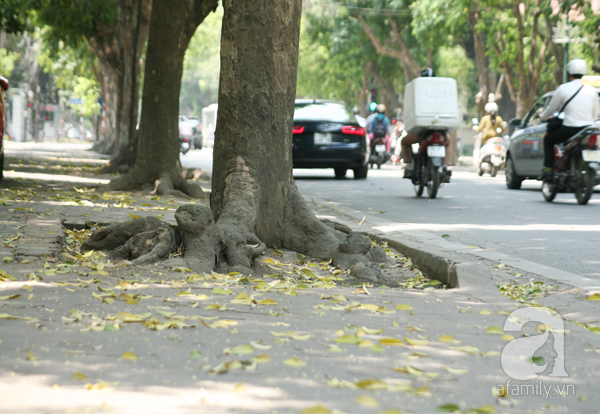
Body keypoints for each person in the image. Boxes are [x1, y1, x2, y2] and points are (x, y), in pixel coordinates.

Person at [539, 59, 599, 181]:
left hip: (569, 129)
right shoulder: (592, 91)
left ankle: (549, 170)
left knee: (548, 140)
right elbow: (595, 115)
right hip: (588, 129)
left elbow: (551, 108)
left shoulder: (563, 88)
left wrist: (542, 117)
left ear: (569, 73)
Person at [401, 68, 451, 181]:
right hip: (439, 132)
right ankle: (446, 166)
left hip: (421, 133)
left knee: (404, 141)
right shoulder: (441, 94)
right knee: (449, 141)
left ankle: (409, 166)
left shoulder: (418, 93)